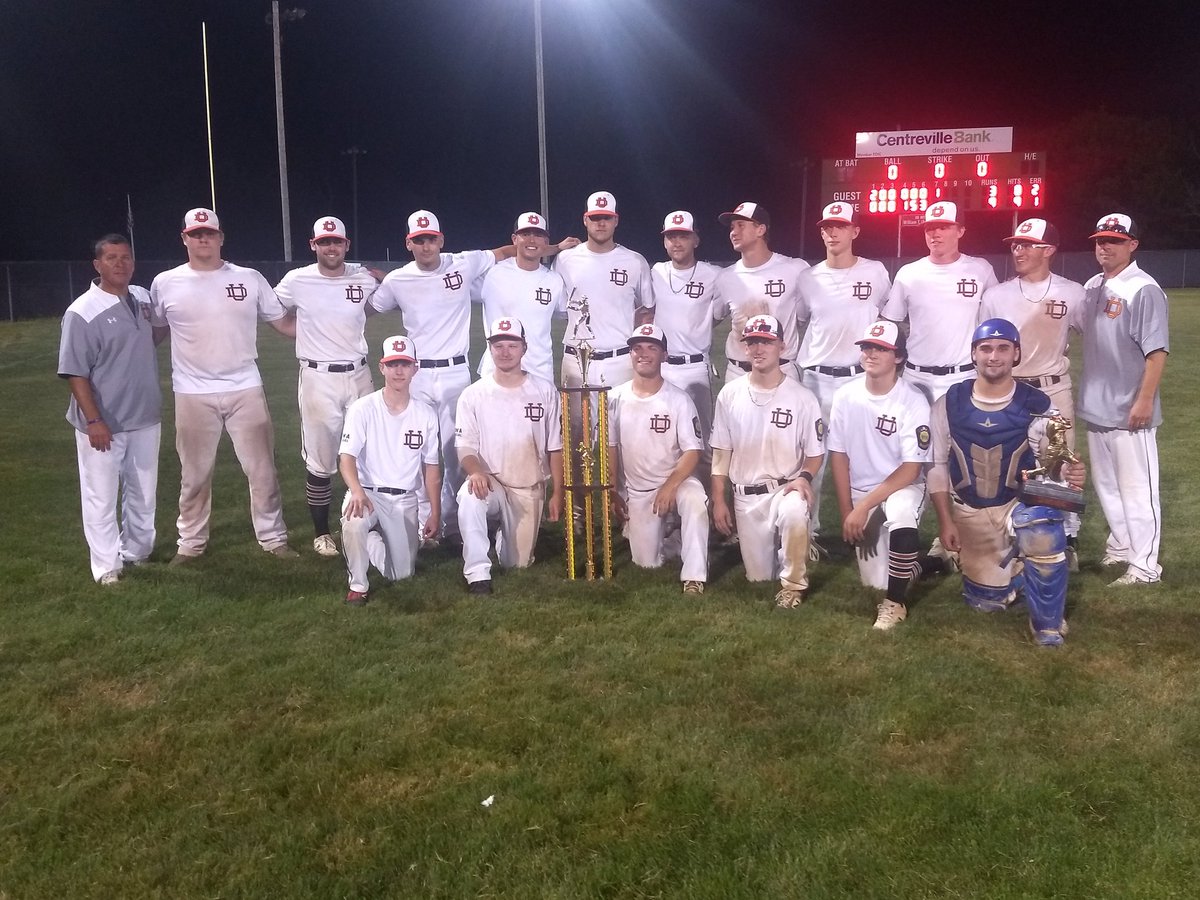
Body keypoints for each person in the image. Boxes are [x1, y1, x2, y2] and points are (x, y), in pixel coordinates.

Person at [149, 208, 298, 563]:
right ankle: (190, 543)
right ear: (184, 238)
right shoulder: (165, 282)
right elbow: (153, 334)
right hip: (191, 392)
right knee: (195, 474)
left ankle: (273, 537)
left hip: (245, 386)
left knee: (262, 470)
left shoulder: (248, 278)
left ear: (220, 237)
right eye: (196, 233)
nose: (203, 239)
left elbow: (284, 324)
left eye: (209, 233)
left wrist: (335, 322)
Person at [928, 318, 1083, 647]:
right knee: (987, 602)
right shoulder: (949, 403)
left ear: (1016, 354)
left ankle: (1047, 626)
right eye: (985, 348)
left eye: (1003, 348)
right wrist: (945, 522)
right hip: (971, 510)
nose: (993, 356)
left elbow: (1052, 466)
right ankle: (1016, 574)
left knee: (1040, 523)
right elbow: (937, 466)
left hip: (1016, 504)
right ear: (973, 354)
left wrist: (1067, 473)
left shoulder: (1038, 404)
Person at [369, 210, 517, 544]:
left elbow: (508, 250)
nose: (425, 246)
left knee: (456, 450)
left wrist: (554, 247)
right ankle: (426, 525)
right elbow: (369, 307)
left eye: (431, 239)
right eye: (418, 240)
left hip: (455, 372)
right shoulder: (397, 280)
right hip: (417, 374)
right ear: (409, 243)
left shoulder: (463, 263)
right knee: (418, 448)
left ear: (441, 240)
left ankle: (456, 523)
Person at [979, 218, 1086, 569]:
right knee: (1009, 464)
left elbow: (1096, 336)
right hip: (1010, 391)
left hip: (1054, 388)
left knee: (1060, 465)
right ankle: (1010, 537)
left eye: (1027, 244)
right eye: (1016, 244)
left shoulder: (1072, 292)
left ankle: (1066, 540)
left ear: (1049, 250)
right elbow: (983, 347)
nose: (1018, 250)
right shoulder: (997, 295)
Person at [58, 234, 163, 584]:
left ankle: (137, 551)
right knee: (101, 497)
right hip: (104, 422)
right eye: (112, 257)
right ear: (97, 264)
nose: (120, 263)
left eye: (126, 257)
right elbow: (75, 372)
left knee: (143, 493)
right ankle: (106, 567)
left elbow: (151, 334)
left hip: (145, 416)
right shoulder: (82, 311)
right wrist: (94, 420)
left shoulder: (142, 298)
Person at [274, 215, 380, 558]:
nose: (330, 247)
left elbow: (381, 295)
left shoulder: (362, 277)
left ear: (346, 245)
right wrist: (299, 333)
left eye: (336, 241)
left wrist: (377, 273)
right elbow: (272, 312)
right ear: (313, 245)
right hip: (318, 378)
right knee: (321, 459)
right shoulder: (297, 279)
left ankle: (366, 522)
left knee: (368, 452)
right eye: (324, 242)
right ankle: (321, 532)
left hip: (359, 373)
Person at [1073, 213, 1169, 586]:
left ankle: (1145, 567)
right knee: (1108, 487)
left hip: (1130, 409)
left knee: (1138, 490)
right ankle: (1122, 547)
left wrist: (1144, 401)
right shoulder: (1094, 284)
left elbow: (1156, 352)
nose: (1105, 246)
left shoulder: (1143, 288)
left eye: (1114, 240)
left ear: (1132, 245)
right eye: (1100, 240)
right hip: (1096, 405)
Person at [710, 315, 824, 609]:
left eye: (766, 342)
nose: (758, 349)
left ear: (782, 346)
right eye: (752, 342)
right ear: (744, 348)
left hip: (785, 488)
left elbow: (815, 453)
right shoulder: (729, 394)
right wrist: (719, 499)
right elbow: (721, 452)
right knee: (758, 578)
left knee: (795, 512)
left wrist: (804, 478)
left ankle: (793, 585)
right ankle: (783, 551)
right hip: (745, 496)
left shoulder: (802, 397)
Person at [795, 201, 892, 537]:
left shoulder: (875, 271)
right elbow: (802, 320)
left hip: (860, 378)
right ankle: (809, 529)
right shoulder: (808, 278)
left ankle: (873, 526)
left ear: (855, 230)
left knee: (869, 454)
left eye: (839, 225)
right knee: (813, 456)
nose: (832, 232)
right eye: (826, 226)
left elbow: (887, 319)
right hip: (817, 379)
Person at [827, 321, 930, 630]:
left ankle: (895, 605)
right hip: (862, 493)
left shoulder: (912, 400)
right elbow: (839, 455)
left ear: (898, 357)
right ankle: (925, 563)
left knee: (900, 512)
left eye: (880, 349)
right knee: (875, 580)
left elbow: (911, 469)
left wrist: (862, 508)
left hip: (903, 486)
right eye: (867, 347)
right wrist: (848, 510)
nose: (870, 353)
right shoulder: (846, 395)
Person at [455, 317, 564, 595]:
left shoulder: (544, 390)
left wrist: (557, 493)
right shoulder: (473, 394)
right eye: (498, 345)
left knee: (518, 565)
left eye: (512, 345)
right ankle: (478, 574)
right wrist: (476, 471)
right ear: (490, 348)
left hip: (528, 485)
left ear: (524, 348)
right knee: (470, 496)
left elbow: (555, 447)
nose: (505, 351)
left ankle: (501, 535)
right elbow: (465, 447)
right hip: (491, 481)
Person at [339, 334, 441, 605]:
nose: (399, 371)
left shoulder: (426, 414)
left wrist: (434, 512)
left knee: (402, 575)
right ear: (382, 367)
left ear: (415, 369)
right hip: (368, 494)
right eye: (393, 364)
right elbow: (346, 458)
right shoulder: (362, 409)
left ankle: (371, 540)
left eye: (405, 364)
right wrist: (356, 491)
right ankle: (358, 586)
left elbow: (432, 468)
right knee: (353, 522)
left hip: (404, 498)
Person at [607, 324, 710, 594]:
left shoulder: (678, 399)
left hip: (678, 481)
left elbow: (693, 452)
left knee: (696, 501)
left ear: (664, 355)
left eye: (652, 348)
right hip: (640, 492)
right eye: (637, 348)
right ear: (630, 354)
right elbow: (611, 448)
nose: (644, 353)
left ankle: (694, 577)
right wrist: (613, 493)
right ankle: (676, 539)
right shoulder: (614, 398)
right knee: (647, 564)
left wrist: (670, 486)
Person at [881, 202, 999, 403]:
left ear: (961, 231)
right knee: (914, 435)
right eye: (929, 228)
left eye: (944, 227)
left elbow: (996, 321)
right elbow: (890, 323)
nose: (935, 234)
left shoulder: (980, 270)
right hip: (917, 377)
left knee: (962, 435)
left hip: (965, 376)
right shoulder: (909, 273)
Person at [650, 210, 724, 485]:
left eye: (683, 236)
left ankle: (705, 506)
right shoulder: (655, 272)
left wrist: (697, 330)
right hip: (663, 368)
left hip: (695, 367)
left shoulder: (713, 275)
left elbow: (720, 313)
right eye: (671, 236)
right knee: (664, 438)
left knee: (702, 440)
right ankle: (667, 510)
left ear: (695, 239)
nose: (676, 242)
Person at [713, 202, 809, 382]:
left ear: (761, 229)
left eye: (741, 225)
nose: (733, 232)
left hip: (782, 370)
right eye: (732, 227)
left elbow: (802, 317)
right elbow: (713, 317)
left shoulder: (795, 270)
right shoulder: (726, 277)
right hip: (738, 373)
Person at [476, 212, 571, 385]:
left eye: (538, 235)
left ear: (546, 242)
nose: (532, 240)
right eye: (525, 234)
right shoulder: (491, 274)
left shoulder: (554, 280)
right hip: (496, 372)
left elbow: (569, 317)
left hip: (539, 372)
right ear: (514, 239)